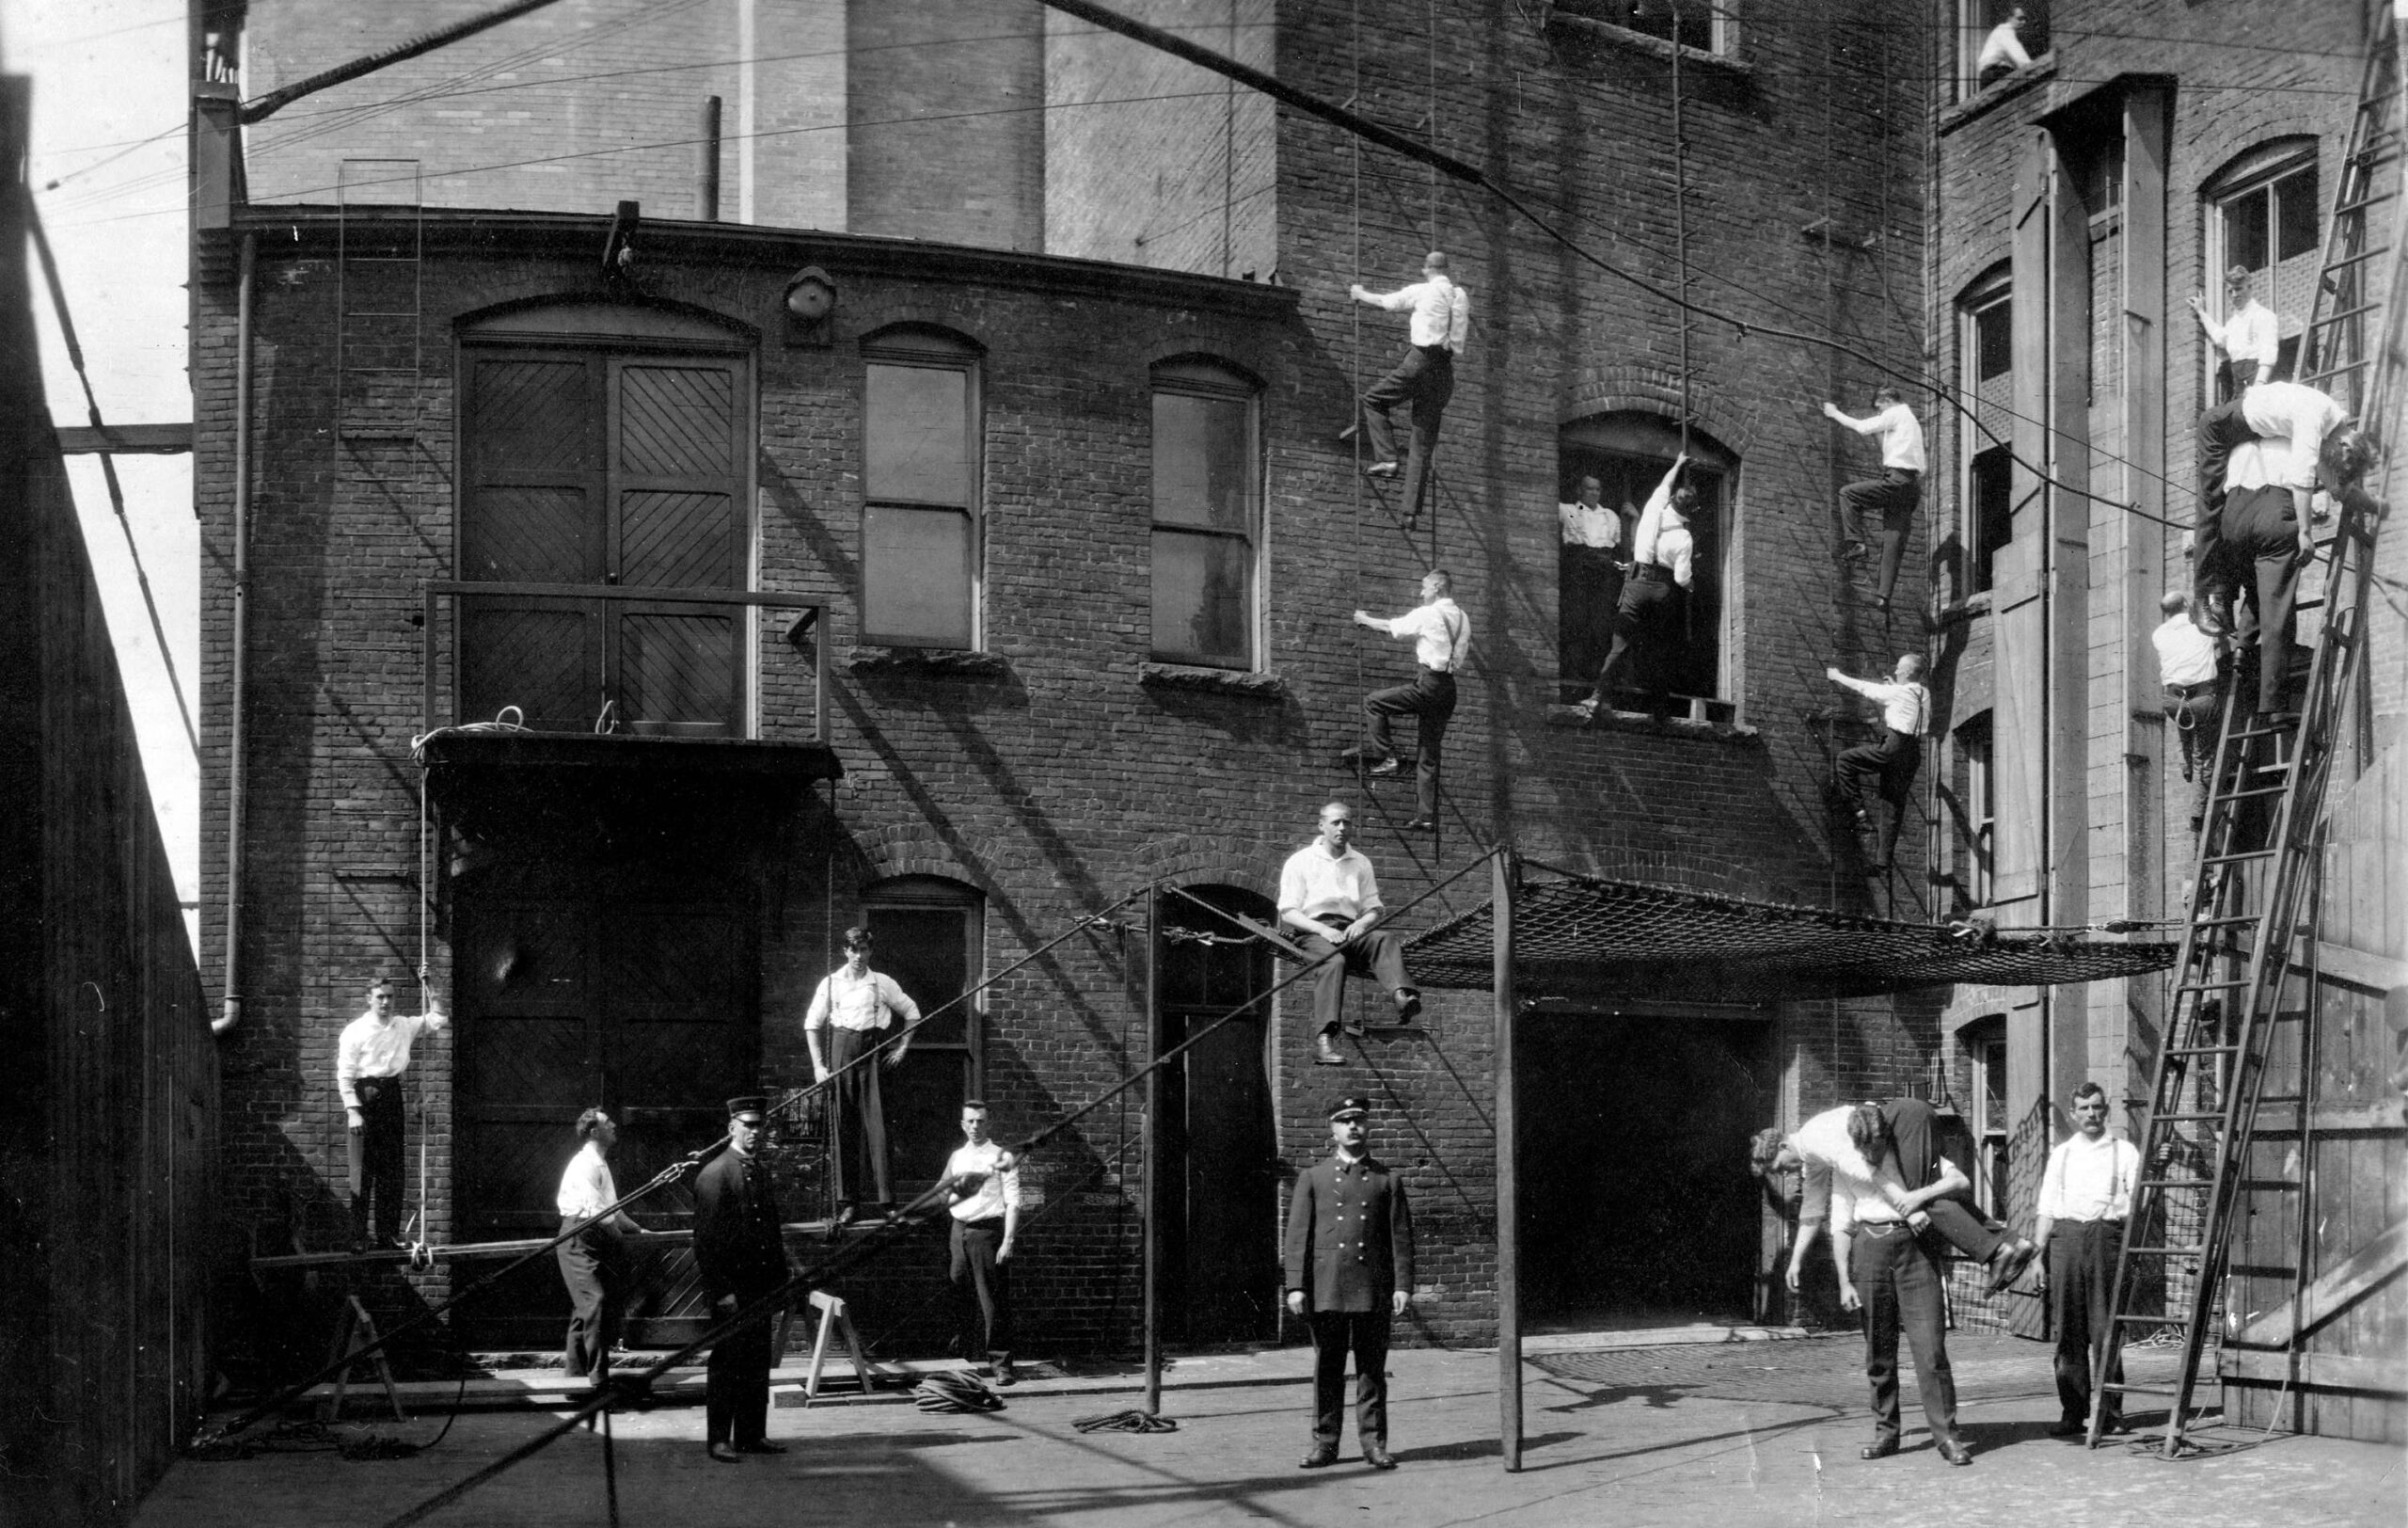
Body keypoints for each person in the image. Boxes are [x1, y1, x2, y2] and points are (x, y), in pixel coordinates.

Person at [2192, 379, 2370, 723]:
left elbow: (2331, 479)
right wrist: (2305, 530)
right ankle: (2274, 705)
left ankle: (2240, 642)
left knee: (2245, 571)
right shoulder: (2309, 422)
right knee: (2278, 608)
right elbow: (2308, 477)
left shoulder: (2261, 429)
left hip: (2235, 514)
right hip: (2275, 508)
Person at [1825, 1103, 1975, 1466]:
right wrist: (1845, 1280)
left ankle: (1947, 1437)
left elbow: (1958, 1181)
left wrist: (1921, 1196)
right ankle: (1886, 1433)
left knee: (1930, 1348)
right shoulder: (1846, 1164)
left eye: (1878, 1145)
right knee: (1879, 1349)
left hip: (1915, 1250)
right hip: (1870, 1250)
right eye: (1865, 1149)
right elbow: (1841, 1223)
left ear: (1886, 1136)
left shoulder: (1914, 1154)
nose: (1872, 1155)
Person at [1777, 1098, 2037, 1300]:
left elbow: (1872, 1170)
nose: (1783, 1174)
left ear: (1782, 1147)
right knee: (1930, 1191)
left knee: (1920, 1197)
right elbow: (1811, 1210)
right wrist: (1796, 1259)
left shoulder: (1815, 1141)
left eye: (1778, 1167)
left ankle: (1996, 1252)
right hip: (1913, 1117)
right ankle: (2012, 1242)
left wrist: (1908, 1206)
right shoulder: (1811, 1155)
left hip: (1905, 1121)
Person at [1284, 1094, 1415, 1472]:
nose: (1352, 1126)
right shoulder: (1314, 1178)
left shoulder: (1387, 1179)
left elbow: (1400, 1238)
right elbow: (1298, 1237)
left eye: (1358, 1119)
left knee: (1372, 1371)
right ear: (1333, 1129)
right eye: (1344, 1121)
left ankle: (1374, 1444)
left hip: (1373, 1289)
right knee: (1328, 1369)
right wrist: (1296, 1285)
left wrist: (1402, 1284)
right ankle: (1325, 1444)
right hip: (1327, 1289)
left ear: (1367, 1125)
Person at [2034, 1082, 2142, 1437]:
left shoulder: (2123, 1152)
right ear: (2074, 1113)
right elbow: (2047, 1208)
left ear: (2106, 1110)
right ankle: (2073, 1412)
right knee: (2069, 1330)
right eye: (2084, 1109)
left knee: (2106, 1328)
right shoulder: (2062, 1154)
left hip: (2105, 1240)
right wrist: (2037, 1256)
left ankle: (2111, 1413)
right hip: (2065, 1240)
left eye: (2097, 1107)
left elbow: (2137, 1203)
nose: (2091, 1115)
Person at [1278, 802, 1421, 1068]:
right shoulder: (1301, 861)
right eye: (1335, 823)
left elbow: (1374, 908)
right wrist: (1322, 929)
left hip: (1350, 930)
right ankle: (1325, 1041)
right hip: (1313, 931)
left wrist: (1362, 924)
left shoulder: (1360, 862)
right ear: (1322, 825)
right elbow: (1288, 912)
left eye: (1347, 822)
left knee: (1384, 939)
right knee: (1335, 962)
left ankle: (1402, 996)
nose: (1342, 828)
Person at [691, 1095, 791, 1461]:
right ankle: (719, 1438)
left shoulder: (759, 1171)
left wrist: (778, 1285)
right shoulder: (716, 1174)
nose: (754, 1132)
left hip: (758, 1288)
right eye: (747, 1125)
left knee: (755, 1362)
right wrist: (721, 1291)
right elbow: (706, 1242)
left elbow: (771, 1233)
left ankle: (752, 1434)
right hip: (731, 1291)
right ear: (731, 1127)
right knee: (727, 1363)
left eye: (758, 1126)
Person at [1344, 250, 1471, 518]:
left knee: (1373, 399)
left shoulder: (1424, 291)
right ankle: (1410, 512)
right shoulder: (1460, 296)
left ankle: (1387, 459)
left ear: (1429, 269)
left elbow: (1389, 302)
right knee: (1422, 443)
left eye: (1424, 269)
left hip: (1420, 362)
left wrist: (1359, 294)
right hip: (1445, 373)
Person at [804, 926, 919, 1224]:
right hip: (841, 1052)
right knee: (844, 1126)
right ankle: (849, 1204)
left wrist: (902, 1047)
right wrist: (819, 1066)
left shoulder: (881, 983)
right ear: (846, 951)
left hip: (873, 1052)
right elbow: (812, 1025)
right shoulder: (831, 984)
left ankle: (887, 1203)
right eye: (854, 950)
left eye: (864, 949)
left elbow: (912, 1011)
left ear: (870, 951)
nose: (859, 955)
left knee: (879, 1128)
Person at [1576, 454, 1694, 721]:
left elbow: (1665, 485)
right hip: (1663, 589)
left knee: (1620, 645)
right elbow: (1682, 579)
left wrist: (1677, 465)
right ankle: (1660, 711)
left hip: (1638, 583)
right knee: (1659, 648)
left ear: (1670, 501)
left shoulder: (1653, 509)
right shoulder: (1684, 536)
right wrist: (1691, 584)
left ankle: (1597, 699)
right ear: (1687, 512)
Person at [1354, 568, 1473, 831]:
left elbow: (1393, 627)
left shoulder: (1429, 614)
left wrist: (1364, 619)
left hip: (1429, 683)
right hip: (1449, 690)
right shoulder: (1463, 618)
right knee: (1428, 756)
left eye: (1425, 587)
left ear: (1438, 587)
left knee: (1374, 702)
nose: (1421, 592)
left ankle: (1387, 757)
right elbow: (1460, 656)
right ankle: (1426, 816)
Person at [335, 976, 448, 1249]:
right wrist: (353, 1111)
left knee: (391, 1170)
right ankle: (358, 1237)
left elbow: (438, 1018)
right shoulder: (355, 1031)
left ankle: (387, 1235)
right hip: (364, 1098)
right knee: (361, 1172)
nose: (385, 1002)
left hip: (391, 1098)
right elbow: (345, 1075)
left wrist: (431, 986)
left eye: (389, 997)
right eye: (380, 997)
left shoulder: (404, 1026)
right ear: (369, 999)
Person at [555, 1107, 651, 1387]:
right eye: (608, 1124)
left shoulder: (600, 1163)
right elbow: (601, 1214)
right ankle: (598, 1383)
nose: (614, 1127)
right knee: (594, 1304)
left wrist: (639, 1230)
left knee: (584, 1308)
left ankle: (574, 1381)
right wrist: (620, 1238)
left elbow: (614, 1210)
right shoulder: (585, 1164)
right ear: (594, 1131)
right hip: (578, 1238)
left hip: (594, 1237)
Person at [940, 1100, 1021, 1386]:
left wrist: (1007, 1240)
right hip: (958, 1231)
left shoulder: (1002, 1156)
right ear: (963, 1125)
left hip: (987, 1234)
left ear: (989, 1123)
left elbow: (1013, 1202)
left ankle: (1001, 1365)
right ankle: (962, 1359)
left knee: (992, 1301)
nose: (975, 1126)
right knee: (958, 1291)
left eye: (981, 1121)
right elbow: (941, 1192)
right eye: (970, 1121)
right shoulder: (956, 1157)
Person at [1824, 388, 1925, 612]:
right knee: (1893, 542)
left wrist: (1834, 413)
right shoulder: (1910, 421)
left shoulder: (1896, 412)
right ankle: (1883, 597)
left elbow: (1862, 427)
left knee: (1848, 494)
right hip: (1910, 488)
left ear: (1887, 400)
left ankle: (1856, 542)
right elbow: (1891, 451)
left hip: (1897, 480)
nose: (1879, 412)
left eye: (1879, 407)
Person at [1827, 655, 1930, 871]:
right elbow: (1911, 708)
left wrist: (1837, 676)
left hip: (1894, 747)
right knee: (1893, 806)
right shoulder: (1923, 693)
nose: (1896, 672)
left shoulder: (1898, 692)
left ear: (1908, 672)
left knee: (1845, 760)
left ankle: (1858, 813)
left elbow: (1864, 688)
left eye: (1899, 670)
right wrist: (1895, 688)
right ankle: (1883, 863)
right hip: (1912, 754)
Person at [2151, 591, 2225, 833]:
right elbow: (2217, 626)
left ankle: (2185, 766)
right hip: (2202, 699)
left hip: (2174, 700)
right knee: (2203, 759)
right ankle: (2197, 814)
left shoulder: (2158, 634)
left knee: (2186, 727)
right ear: (2186, 606)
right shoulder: (2201, 629)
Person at [1559, 474, 1624, 692]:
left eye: (1597, 489)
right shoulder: (1570, 509)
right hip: (1581, 565)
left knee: (1601, 622)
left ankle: (1596, 675)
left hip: (1604, 568)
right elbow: (1567, 521)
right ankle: (1575, 673)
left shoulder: (1610, 516)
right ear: (1580, 490)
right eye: (1589, 489)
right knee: (1578, 619)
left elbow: (1616, 542)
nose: (1594, 493)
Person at [2191, 265, 2281, 403]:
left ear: (2250, 288)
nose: (2234, 295)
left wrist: (2259, 385)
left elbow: (2268, 352)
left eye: (2238, 289)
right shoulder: (2233, 323)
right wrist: (2201, 312)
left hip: (2258, 382)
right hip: (2239, 385)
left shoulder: (2263, 315)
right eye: (2230, 291)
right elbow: (2219, 337)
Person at [1974, 6, 2032, 87]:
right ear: (2010, 18)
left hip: (1988, 75)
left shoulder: (2001, 31)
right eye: (2020, 19)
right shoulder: (2005, 30)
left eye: (2025, 19)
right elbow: (2018, 55)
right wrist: (2032, 68)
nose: (2024, 22)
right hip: (1994, 73)